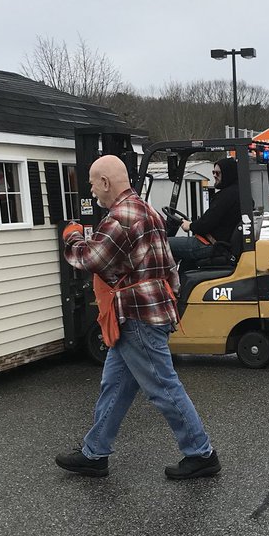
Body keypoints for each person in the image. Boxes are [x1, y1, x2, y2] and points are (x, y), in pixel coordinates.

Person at [56, 154, 221, 480]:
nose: (91, 190)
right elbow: (162, 264)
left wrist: (72, 235)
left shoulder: (120, 217)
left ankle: (201, 453)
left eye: (92, 182)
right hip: (149, 311)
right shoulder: (146, 210)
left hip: (137, 316)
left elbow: (90, 259)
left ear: (105, 182)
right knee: (115, 384)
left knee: (163, 387)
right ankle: (95, 452)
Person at [168, 156, 241, 272]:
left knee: (161, 244)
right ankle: (180, 281)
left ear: (228, 174)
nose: (215, 176)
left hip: (211, 245)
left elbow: (206, 224)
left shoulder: (225, 197)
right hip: (218, 244)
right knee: (185, 261)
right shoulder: (239, 193)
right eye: (213, 172)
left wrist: (190, 226)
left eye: (218, 173)